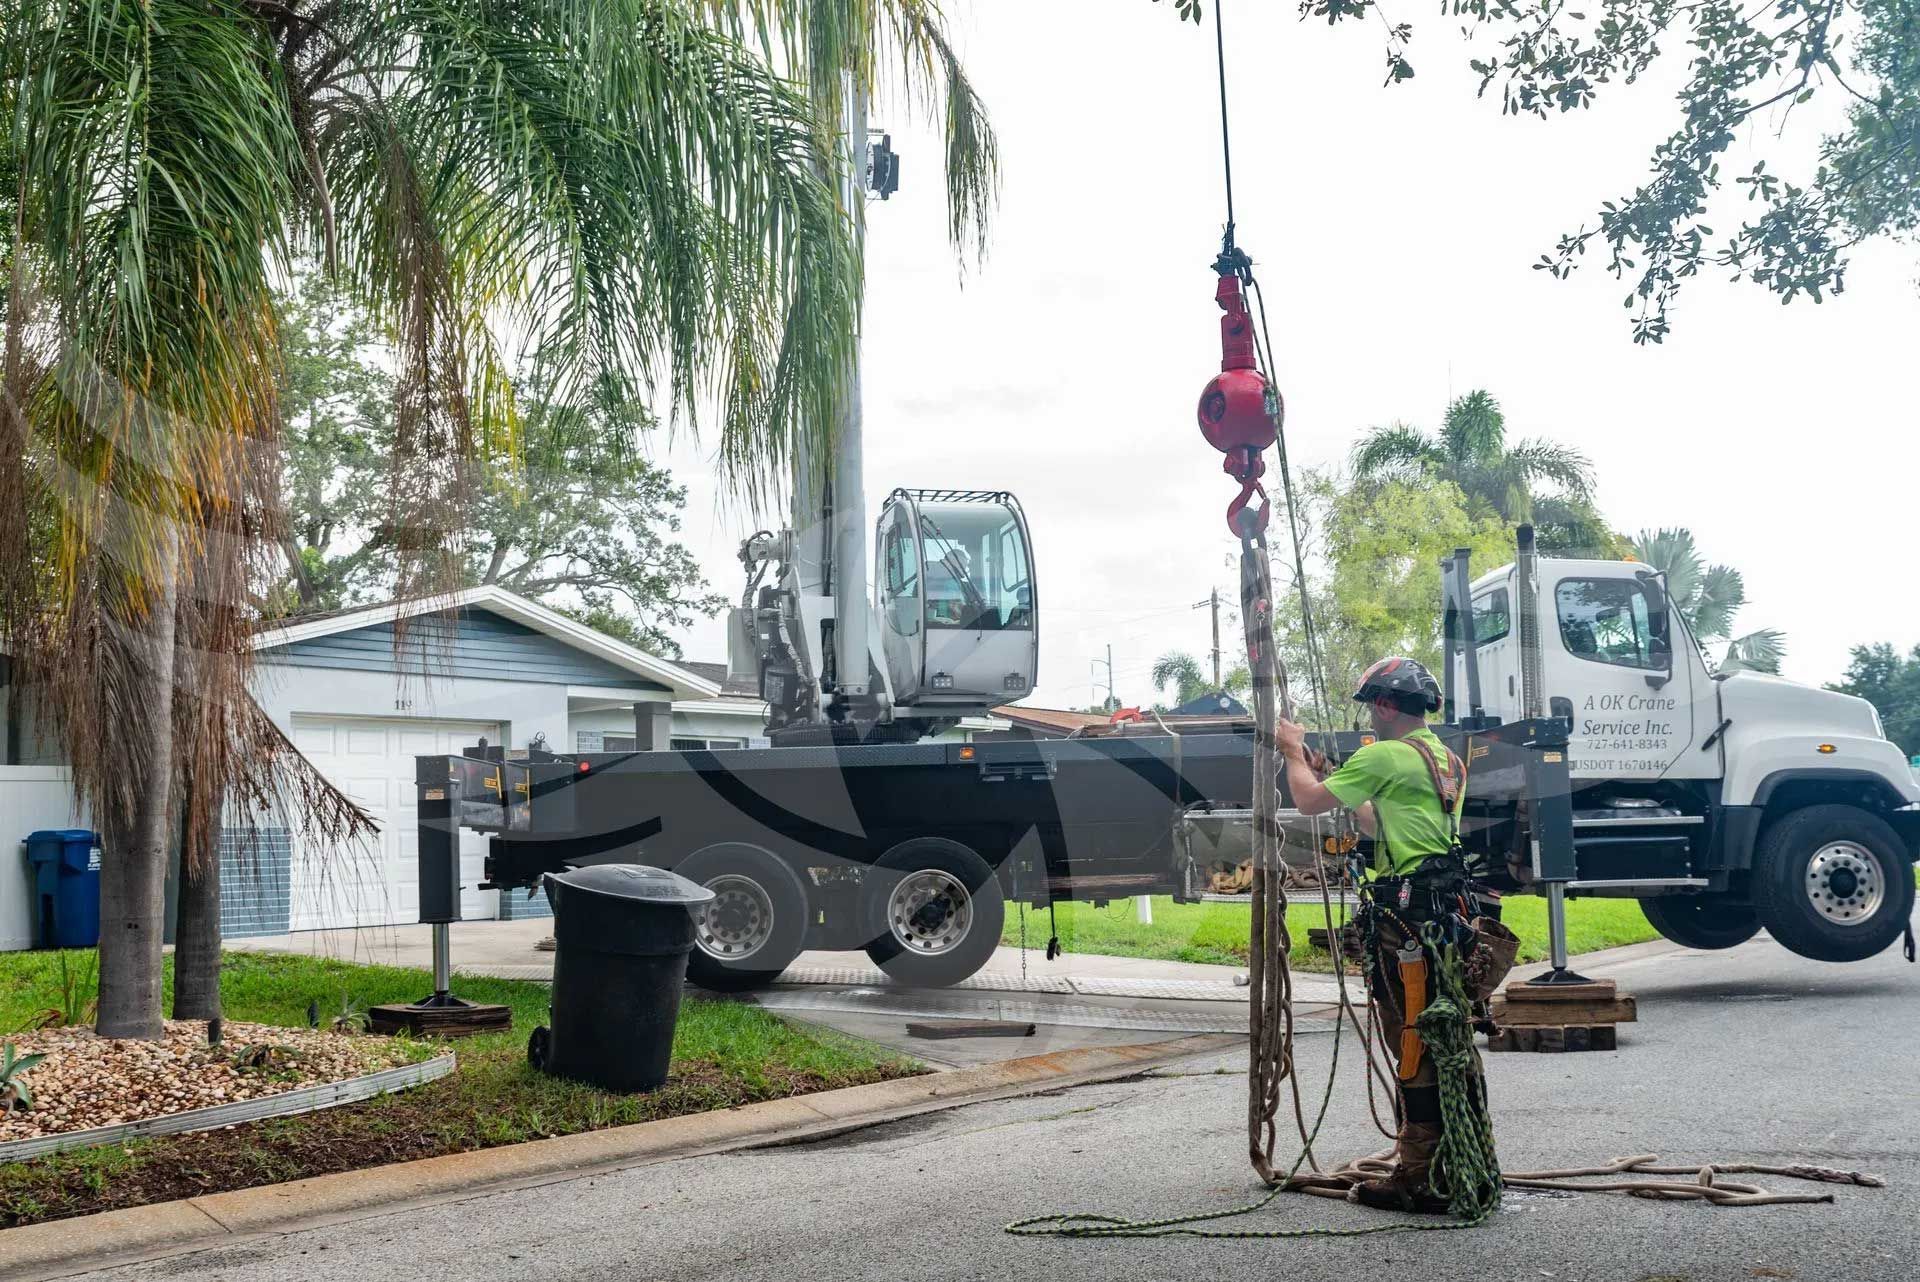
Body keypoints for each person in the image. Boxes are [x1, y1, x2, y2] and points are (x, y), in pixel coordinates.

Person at [1275, 656, 1491, 1215]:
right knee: (1443, 1036)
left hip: (1409, 921)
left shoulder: (1383, 755)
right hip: (1446, 912)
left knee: (1413, 1038)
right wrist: (1333, 772)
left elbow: (1307, 803)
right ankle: (1454, 1163)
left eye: (1374, 703)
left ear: (1388, 706)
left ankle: (1418, 1177)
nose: (1372, 712)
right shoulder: (1445, 760)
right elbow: (1376, 820)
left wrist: (1293, 753)